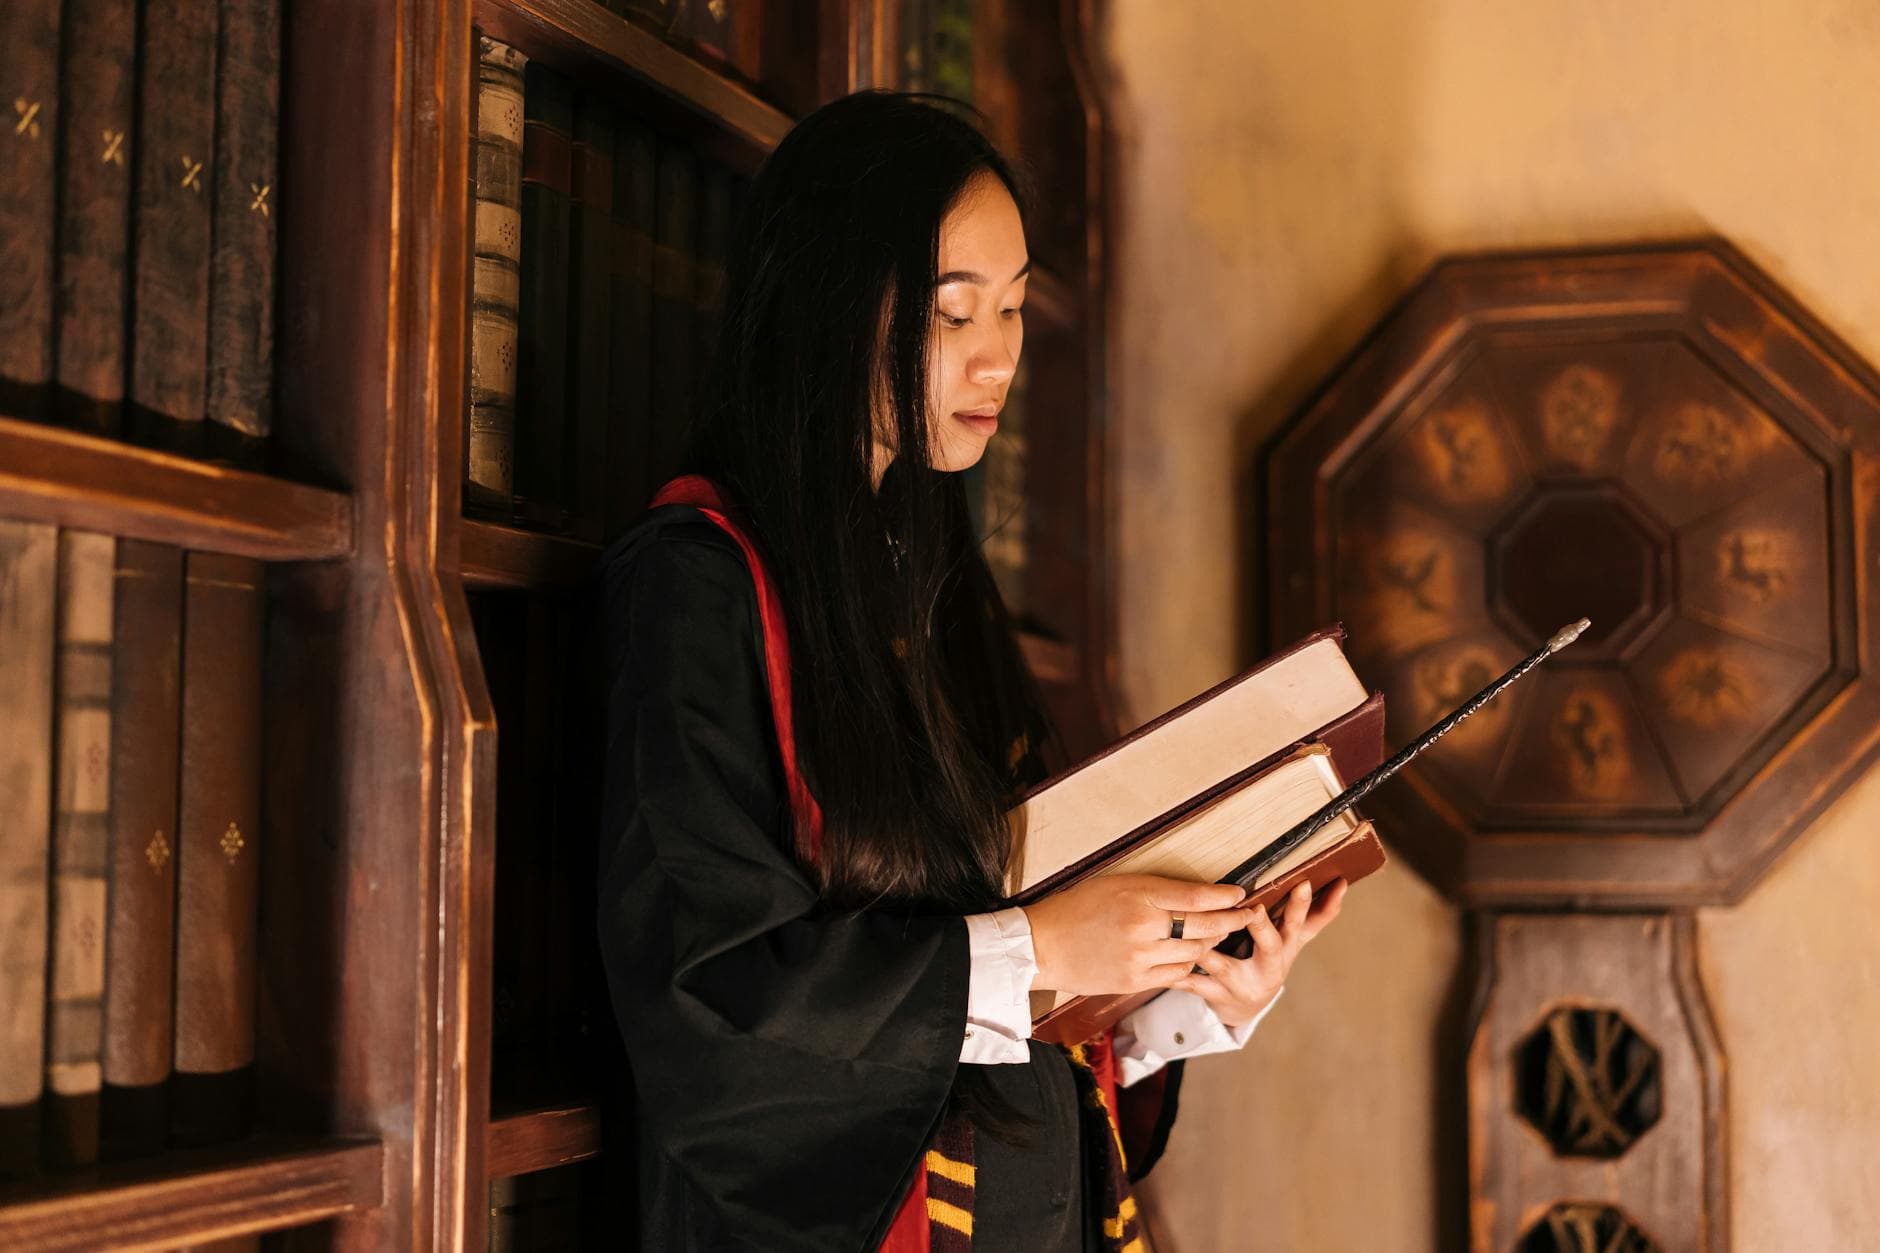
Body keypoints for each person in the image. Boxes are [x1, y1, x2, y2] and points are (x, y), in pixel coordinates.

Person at [596, 91, 1345, 1252]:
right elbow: (711, 996)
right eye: (953, 313)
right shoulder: (699, 585)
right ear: (831, 302)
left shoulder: (936, 577)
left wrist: (1170, 992)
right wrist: (1048, 946)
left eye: (1012, 307)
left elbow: (1005, 985)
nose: (998, 356)